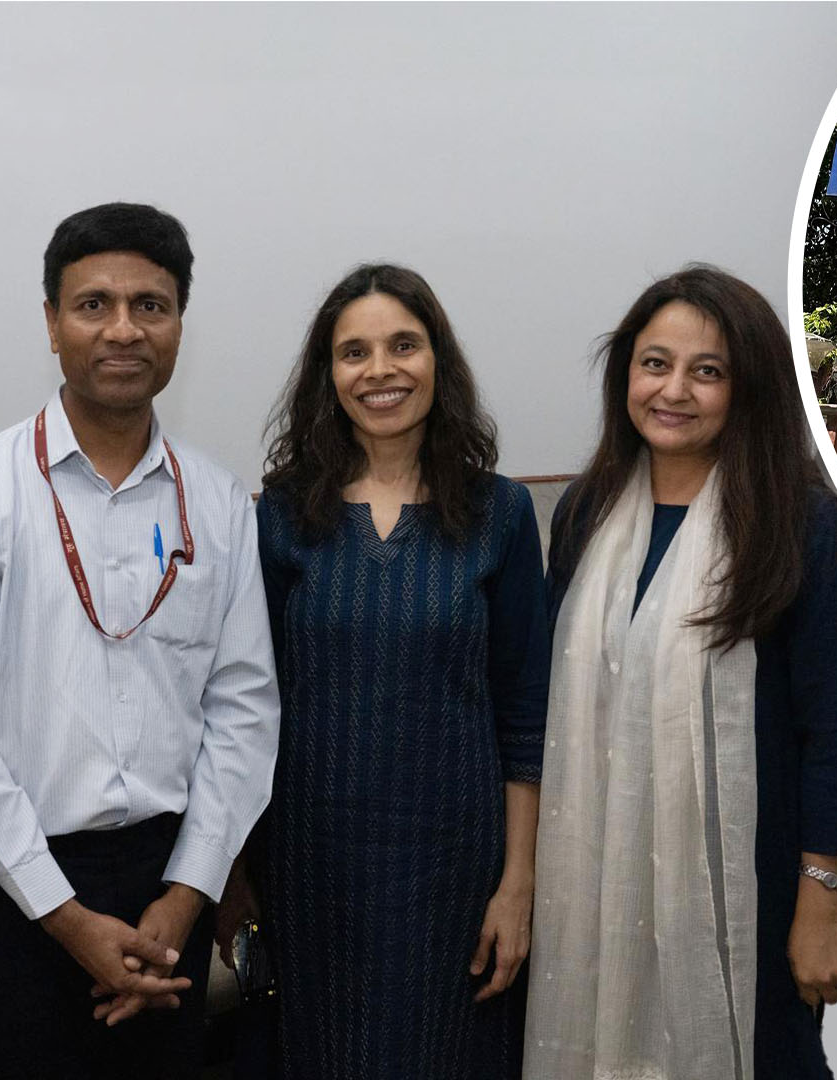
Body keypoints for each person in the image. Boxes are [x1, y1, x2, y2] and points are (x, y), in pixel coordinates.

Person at [0, 203, 281, 1079]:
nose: (124, 329)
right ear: (51, 323)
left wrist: (187, 897)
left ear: (180, 324)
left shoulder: (219, 502)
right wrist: (65, 917)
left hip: (170, 883)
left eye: (151, 305)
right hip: (20, 888)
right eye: (94, 305)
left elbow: (244, 706)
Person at [526, 265, 837, 1079]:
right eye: (654, 363)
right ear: (625, 373)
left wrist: (823, 904)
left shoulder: (798, 522)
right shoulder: (586, 510)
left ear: (749, 390)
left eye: (708, 371)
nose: (675, 390)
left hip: (749, 892)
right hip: (591, 884)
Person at [225, 264, 549, 1078]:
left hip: (457, 874)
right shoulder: (278, 516)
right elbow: (240, 708)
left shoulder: (500, 515)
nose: (380, 371)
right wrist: (234, 872)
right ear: (328, 377)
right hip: (308, 869)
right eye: (354, 352)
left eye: (403, 345)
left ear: (438, 360)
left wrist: (518, 885)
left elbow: (526, 717)